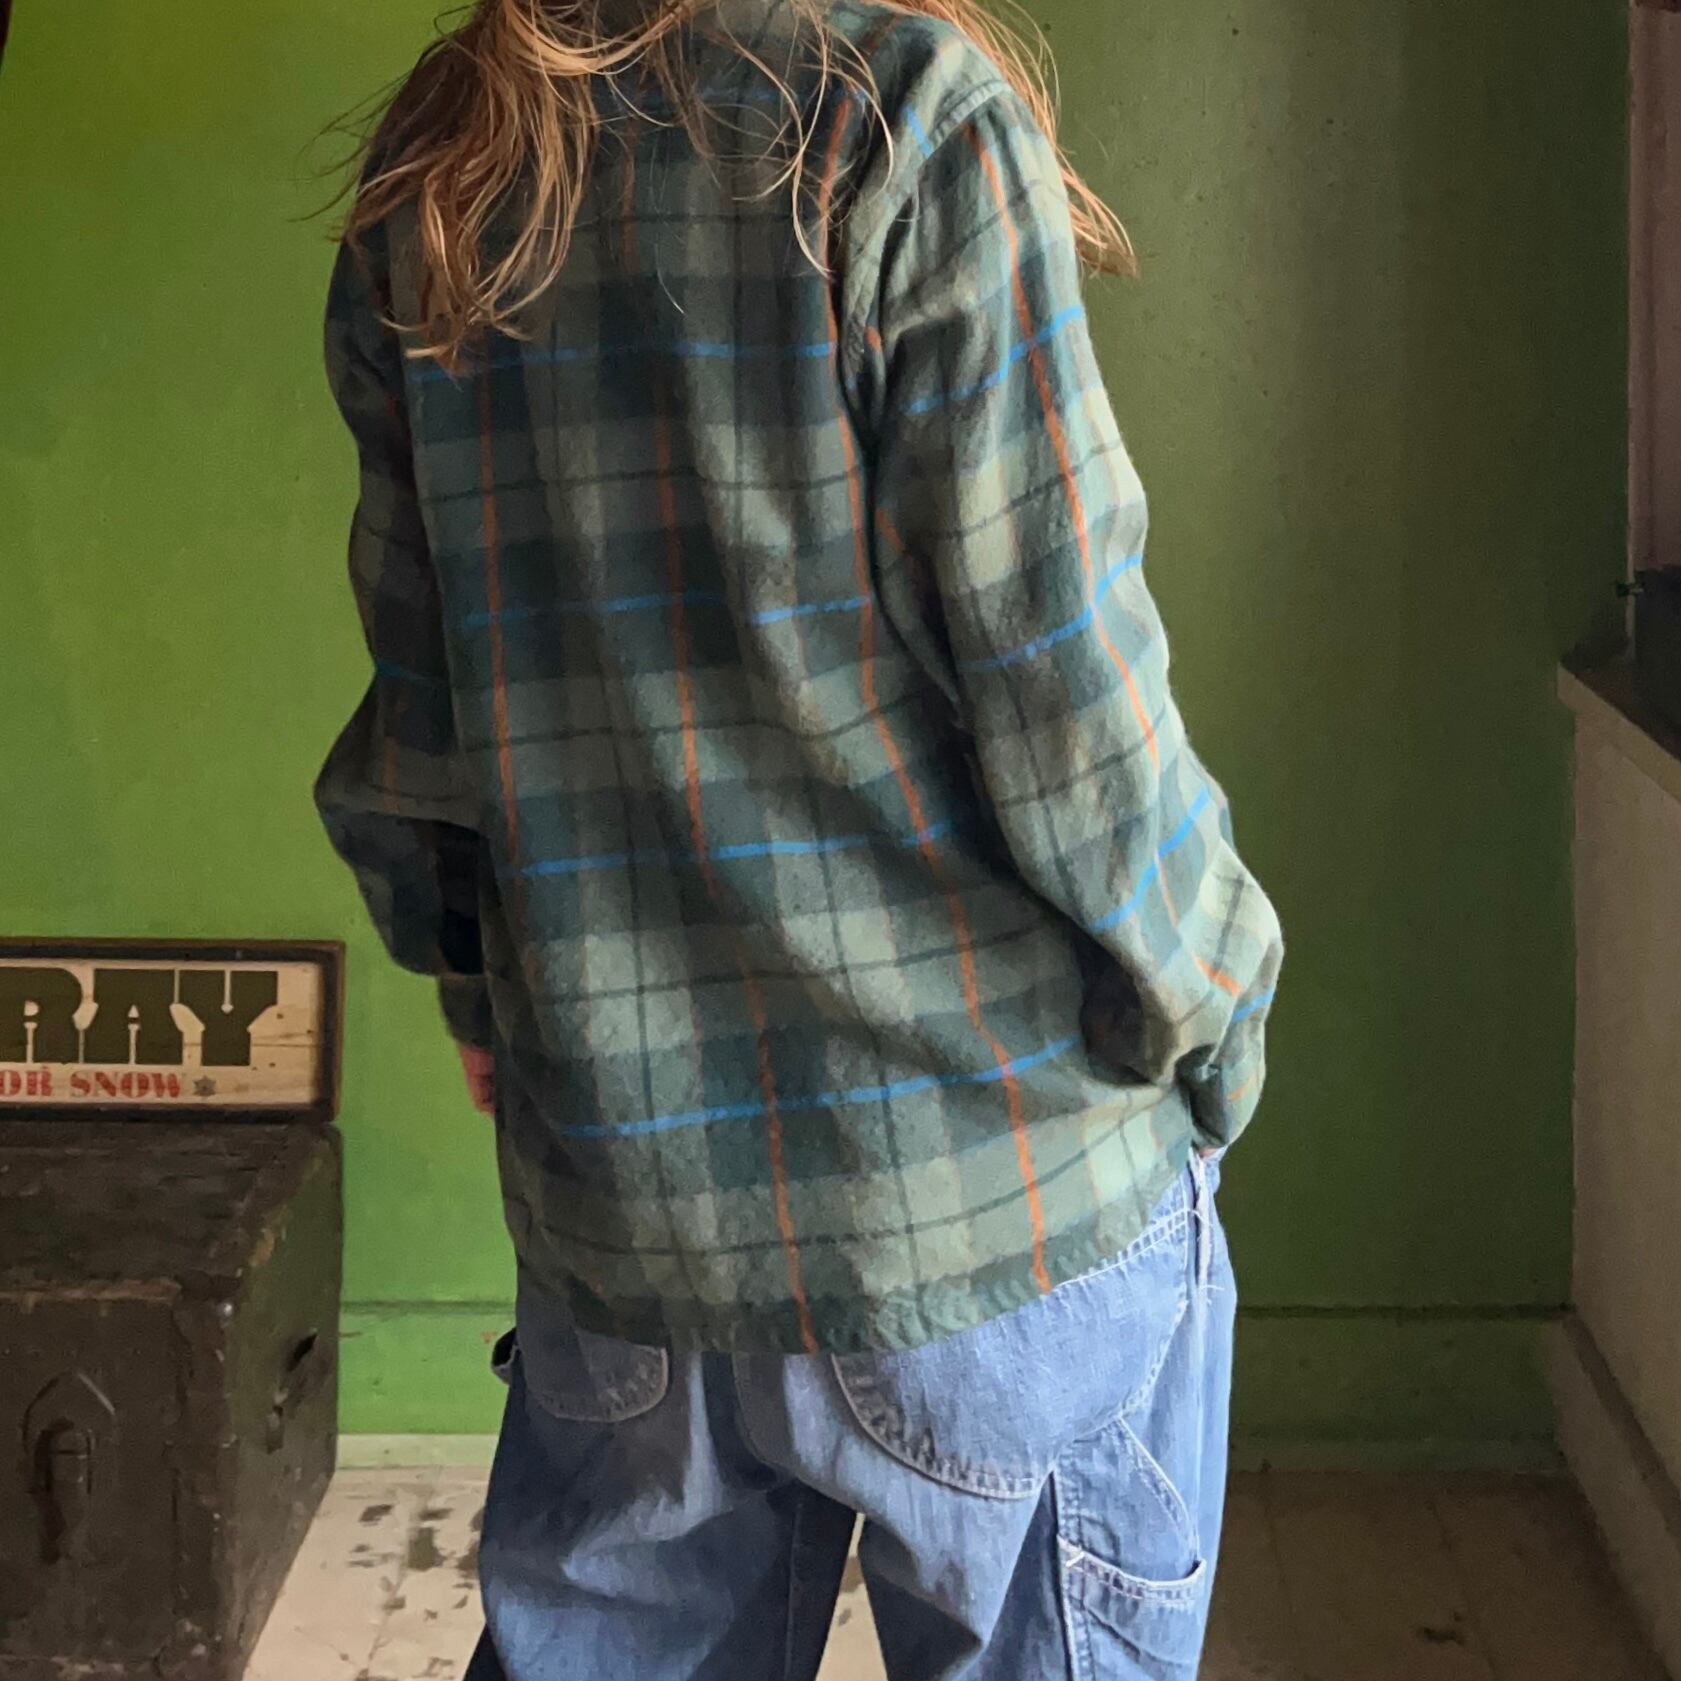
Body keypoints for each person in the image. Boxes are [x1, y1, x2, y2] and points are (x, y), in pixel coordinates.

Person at [316, 1, 1283, 1675]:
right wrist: (1216, 1002)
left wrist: (482, 994)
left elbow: (426, 711)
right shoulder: (903, 115)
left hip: (630, 1205)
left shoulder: (442, 155)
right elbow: (1067, 691)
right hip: (993, 1196)